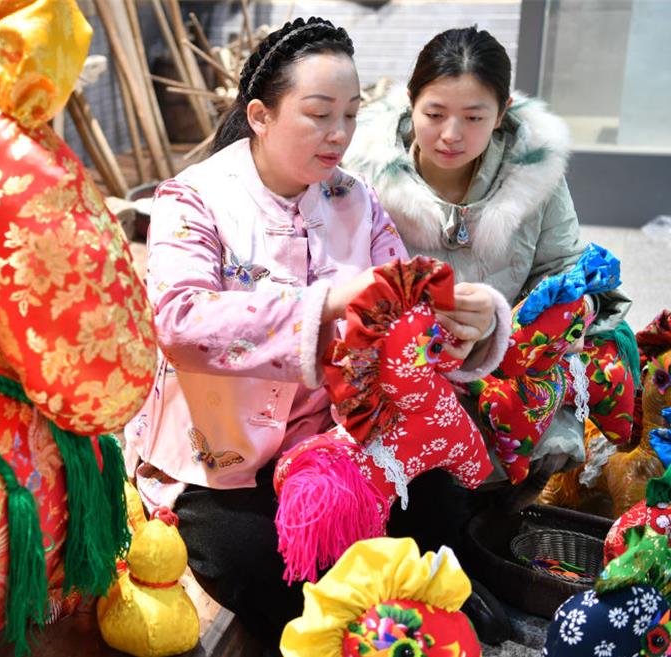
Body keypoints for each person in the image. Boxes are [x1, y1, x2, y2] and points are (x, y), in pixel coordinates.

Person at [123, 17, 507, 652]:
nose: (340, 134)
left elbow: (405, 312)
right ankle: (379, 616)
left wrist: (471, 322)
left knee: (435, 492)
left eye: (351, 115)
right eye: (319, 114)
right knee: (251, 554)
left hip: (336, 440)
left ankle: (422, 597)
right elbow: (180, 322)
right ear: (260, 115)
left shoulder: (354, 200)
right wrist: (328, 301)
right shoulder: (192, 199)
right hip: (222, 457)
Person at [344, 23, 633, 621]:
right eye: (435, 114)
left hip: (507, 358)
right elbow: (348, 285)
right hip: (410, 366)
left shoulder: (536, 176)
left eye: (474, 117)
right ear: (410, 104)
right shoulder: (366, 178)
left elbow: (564, 270)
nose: (451, 134)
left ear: (501, 115)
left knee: (563, 379)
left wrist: (522, 328)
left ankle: (487, 519)